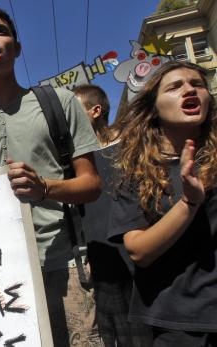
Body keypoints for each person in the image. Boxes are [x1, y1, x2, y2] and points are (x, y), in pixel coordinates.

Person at [0, 7, 103, 346]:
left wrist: (44, 188)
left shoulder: (59, 102)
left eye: (0, 31)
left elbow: (92, 184)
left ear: (17, 49)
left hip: (64, 265)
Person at [108, 61, 217, 345]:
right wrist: (188, 203)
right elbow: (139, 251)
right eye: (175, 86)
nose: (189, 89)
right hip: (179, 325)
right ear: (154, 108)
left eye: (197, 84)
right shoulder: (136, 175)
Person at [73, 85, 153, 346]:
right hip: (103, 269)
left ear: (95, 111)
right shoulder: (74, 164)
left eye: (72, 111)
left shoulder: (132, 149)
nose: (66, 120)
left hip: (140, 264)